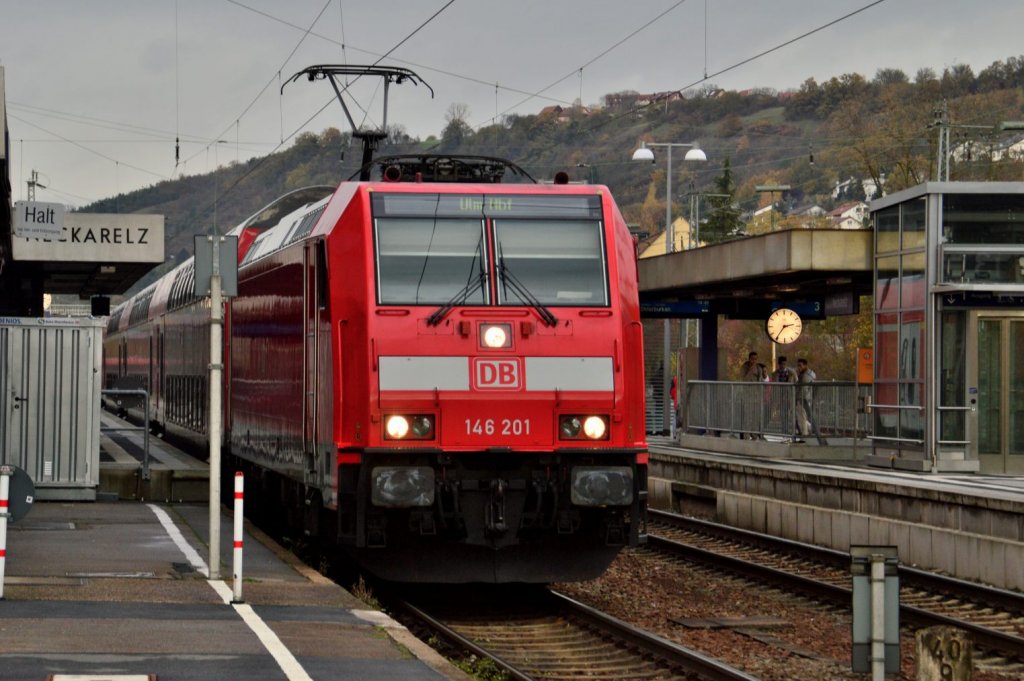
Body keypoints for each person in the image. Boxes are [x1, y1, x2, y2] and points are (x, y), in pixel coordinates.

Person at [795, 358, 816, 442]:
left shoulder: (804, 376)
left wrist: (797, 399)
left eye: (800, 365)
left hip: (803, 399)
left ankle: (804, 436)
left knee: (802, 418)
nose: (799, 367)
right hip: (807, 398)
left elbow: (802, 389)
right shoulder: (812, 373)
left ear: (805, 365)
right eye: (798, 365)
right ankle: (808, 431)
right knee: (804, 417)